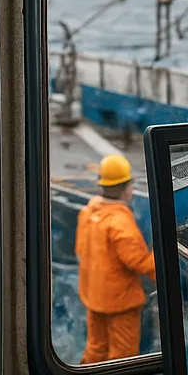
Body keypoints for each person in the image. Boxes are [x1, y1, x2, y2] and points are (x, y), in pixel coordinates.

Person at [76, 153, 156, 364]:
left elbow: (81, 251)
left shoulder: (87, 213)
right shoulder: (120, 223)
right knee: (122, 358)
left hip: (94, 298)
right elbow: (140, 263)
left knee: (95, 351)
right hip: (121, 305)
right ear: (126, 188)